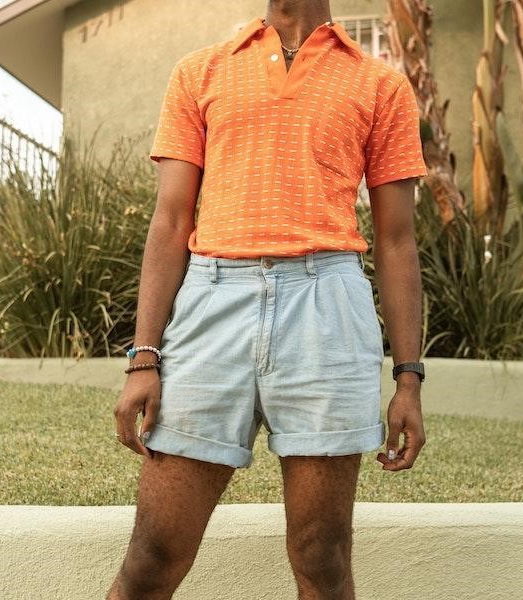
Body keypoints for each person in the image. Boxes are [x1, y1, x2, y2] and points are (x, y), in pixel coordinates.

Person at [109, 0, 428, 597]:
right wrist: (144, 356)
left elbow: (397, 238)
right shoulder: (200, 71)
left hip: (326, 305)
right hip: (212, 302)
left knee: (322, 557)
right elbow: (171, 220)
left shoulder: (379, 82)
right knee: (153, 554)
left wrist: (408, 379)